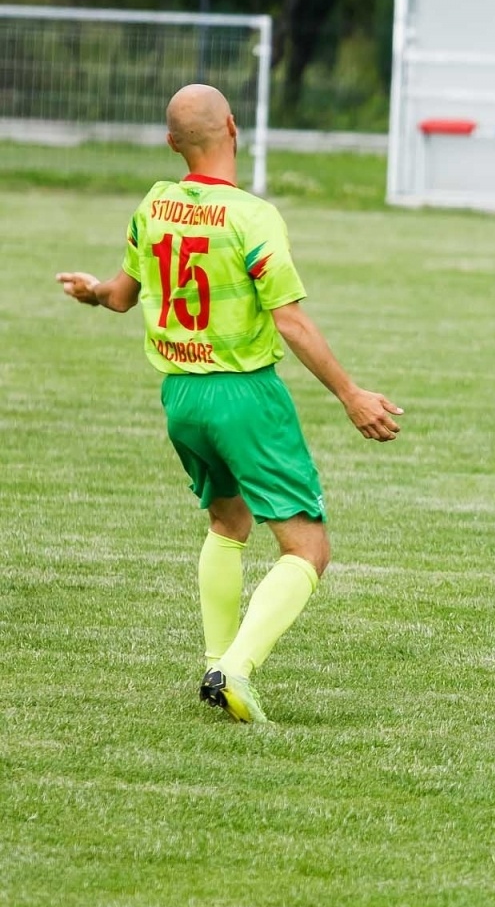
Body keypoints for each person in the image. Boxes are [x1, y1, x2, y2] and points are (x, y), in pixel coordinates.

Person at [56, 84, 402, 724]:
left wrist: (92, 291)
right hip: (242, 393)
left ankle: (217, 658)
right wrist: (351, 394)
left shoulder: (154, 205)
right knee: (307, 549)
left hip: (180, 397)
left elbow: (122, 295)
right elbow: (291, 323)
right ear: (234, 127)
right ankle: (235, 667)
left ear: (171, 144)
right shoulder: (253, 216)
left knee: (228, 523)